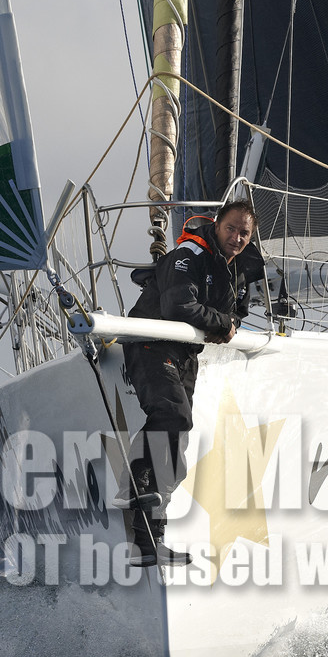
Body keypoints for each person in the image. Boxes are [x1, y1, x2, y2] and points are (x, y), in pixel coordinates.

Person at [120, 199, 263, 566]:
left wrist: (220, 323)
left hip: (184, 355)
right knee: (172, 418)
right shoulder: (189, 253)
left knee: (177, 443)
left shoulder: (236, 269)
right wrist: (218, 324)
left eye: (244, 233)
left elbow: (234, 317)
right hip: (151, 346)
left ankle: (153, 539)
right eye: (231, 228)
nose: (236, 237)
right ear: (217, 225)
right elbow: (178, 307)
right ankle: (134, 501)